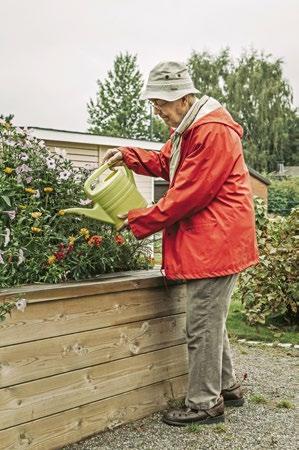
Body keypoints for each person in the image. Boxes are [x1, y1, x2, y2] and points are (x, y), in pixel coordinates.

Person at [102, 61, 259, 426]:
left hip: (216, 241)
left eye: (160, 102)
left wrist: (141, 218)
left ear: (183, 97)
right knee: (211, 318)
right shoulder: (188, 128)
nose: (156, 110)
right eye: (154, 103)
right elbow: (166, 162)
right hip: (214, 239)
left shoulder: (212, 132)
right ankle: (227, 386)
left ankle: (205, 402)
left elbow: (189, 194)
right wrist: (128, 155)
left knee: (201, 323)